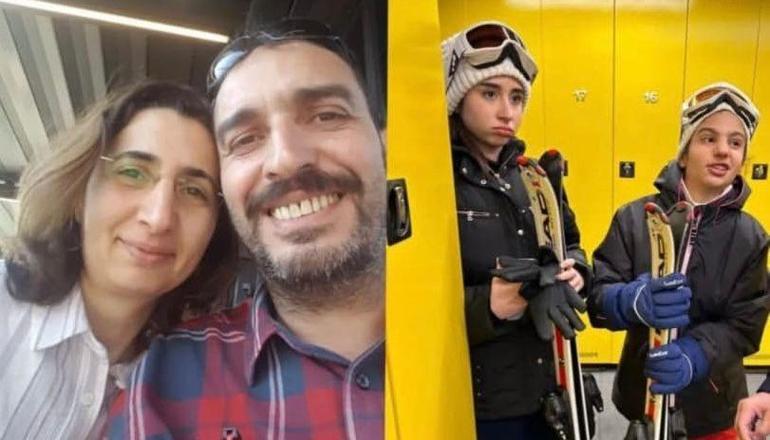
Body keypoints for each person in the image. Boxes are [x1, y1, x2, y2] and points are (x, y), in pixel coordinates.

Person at [106, 18, 386, 439]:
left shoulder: (484, 329)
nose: (286, 159)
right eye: (245, 139)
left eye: (326, 115)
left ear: (386, 145)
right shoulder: (161, 386)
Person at [0, 81, 238, 439]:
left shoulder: (187, 382)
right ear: (79, 193)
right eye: (132, 172)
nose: (159, 217)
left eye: (193, 190)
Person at [589, 82, 769, 439]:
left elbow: (746, 325)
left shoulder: (751, 237)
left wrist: (696, 353)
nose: (723, 150)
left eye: (735, 143)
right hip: (644, 395)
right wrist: (627, 301)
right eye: (708, 138)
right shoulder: (635, 218)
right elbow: (597, 298)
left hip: (716, 406)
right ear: (684, 154)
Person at [441, 21, 591, 439]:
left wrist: (577, 271)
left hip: (550, 388)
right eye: (490, 94)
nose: (507, 111)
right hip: (485, 402)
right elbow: (413, 306)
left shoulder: (535, 176)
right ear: (457, 97)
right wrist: (486, 305)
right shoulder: (436, 185)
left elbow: (572, 243)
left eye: (517, 97)